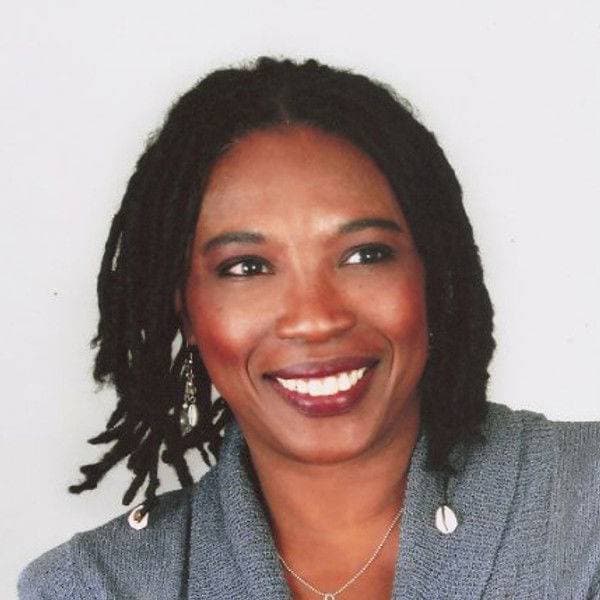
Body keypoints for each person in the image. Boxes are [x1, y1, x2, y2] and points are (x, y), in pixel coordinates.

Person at [17, 57, 600, 599]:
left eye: (365, 255)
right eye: (247, 267)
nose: (316, 319)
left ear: (433, 274)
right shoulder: (97, 585)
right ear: (186, 311)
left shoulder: (586, 505)